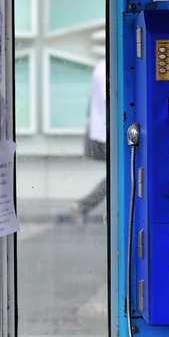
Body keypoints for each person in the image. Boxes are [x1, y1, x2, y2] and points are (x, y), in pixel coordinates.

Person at [74, 57, 107, 224]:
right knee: (119, 172)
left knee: (118, 173)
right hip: (104, 134)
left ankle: (84, 205)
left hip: (100, 131)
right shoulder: (106, 68)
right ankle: (84, 205)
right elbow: (110, 99)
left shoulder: (101, 66)